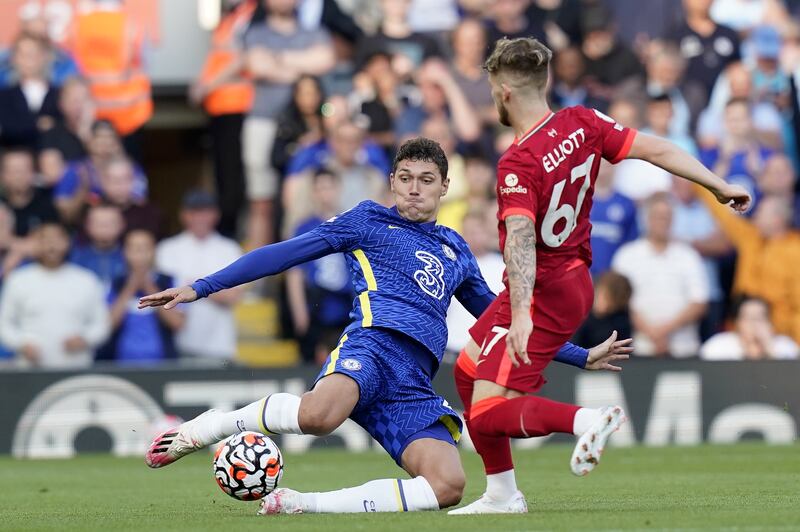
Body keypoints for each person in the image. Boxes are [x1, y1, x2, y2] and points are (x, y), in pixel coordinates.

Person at [140, 138, 631, 514]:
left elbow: (500, 316)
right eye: (405, 178)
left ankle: (298, 503)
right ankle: (205, 428)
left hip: (414, 378)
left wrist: (580, 354)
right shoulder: (367, 221)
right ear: (392, 183)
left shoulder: (455, 248)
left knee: (448, 488)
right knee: (319, 416)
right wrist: (202, 287)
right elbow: (285, 253)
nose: (414, 188)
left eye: (425, 179)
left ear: (444, 187)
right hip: (373, 346)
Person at [450, 37, 750, 514]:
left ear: (504, 90)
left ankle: (588, 419)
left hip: (543, 287)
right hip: (569, 278)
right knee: (467, 373)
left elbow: (522, 239)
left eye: (490, 89)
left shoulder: (517, 163)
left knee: (486, 413)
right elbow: (656, 149)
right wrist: (717, 184)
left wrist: (523, 312)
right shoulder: (583, 122)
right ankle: (502, 494)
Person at [242, 0, 335, 249]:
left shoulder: (314, 31)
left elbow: (325, 60)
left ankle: (299, 271)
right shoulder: (256, 32)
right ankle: (256, 279)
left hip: (304, 124)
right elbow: (256, 65)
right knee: (261, 202)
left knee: (305, 199)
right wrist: (302, 68)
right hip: (264, 121)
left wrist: (277, 60)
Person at [612, 193, 710, 357]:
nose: (663, 222)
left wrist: (664, 331)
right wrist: (652, 333)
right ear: (646, 218)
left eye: (667, 216)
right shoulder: (627, 256)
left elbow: (699, 302)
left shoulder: (688, 255)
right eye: (658, 216)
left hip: (683, 348)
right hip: (639, 347)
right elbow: (620, 301)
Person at [0, 222, 109, 368]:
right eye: (44, 239)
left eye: (57, 239)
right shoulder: (18, 280)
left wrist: (84, 339)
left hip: (76, 368)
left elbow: (101, 324)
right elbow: (4, 324)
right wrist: (21, 344)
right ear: (35, 244)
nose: (51, 245)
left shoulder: (86, 280)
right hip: (30, 369)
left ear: (67, 243)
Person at [191, 0, 257, 239]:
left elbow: (242, 58)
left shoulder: (249, 15)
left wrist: (205, 86)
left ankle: (229, 231)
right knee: (221, 174)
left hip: (236, 105)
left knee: (232, 177)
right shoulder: (230, 18)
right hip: (220, 107)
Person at [155, 190, 244, 360]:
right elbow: (165, 296)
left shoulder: (229, 249)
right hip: (179, 343)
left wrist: (193, 286)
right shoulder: (168, 248)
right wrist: (211, 288)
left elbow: (233, 296)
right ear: (184, 215)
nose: (200, 217)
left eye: (206, 211)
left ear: (215, 215)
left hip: (220, 344)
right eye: (194, 212)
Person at [69, 0, 153, 159]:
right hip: (129, 113)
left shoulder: (79, 23)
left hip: (91, 113)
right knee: (126, 172)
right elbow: (144, 63)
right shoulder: (131, 24)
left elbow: (72, 67)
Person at [286, 170, 353, 364]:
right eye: (320, 188)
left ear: (338, 189)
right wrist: (299, 312)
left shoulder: (350, 225)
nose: (326, 193)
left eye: (329, 187)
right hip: (317, 306)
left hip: (346, 306)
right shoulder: (305, 227)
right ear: (314, 192)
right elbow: (295, 273)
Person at [98, 230, 184, 365]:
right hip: (120, 362)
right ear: (125, 252)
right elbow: (108, 325)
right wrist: (130, 287)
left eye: (145, 248)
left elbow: (177, 323)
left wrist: (150, 288)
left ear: (154, 251)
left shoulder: (169, 282)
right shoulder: (115, 283)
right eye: (134, 249)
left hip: (163, 362)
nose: (140, 254)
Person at [0, 33, 61, 150]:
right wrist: (37, 125)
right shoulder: (4, 97)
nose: (27, 59)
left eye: (32, 54)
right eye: (22, 54)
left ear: (45, 56)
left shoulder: (60, 95)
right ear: (14, 59)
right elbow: (8, 130)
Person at [701, 295, 799, 360]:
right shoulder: (719, 344)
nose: (754, 324)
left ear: (770, 323)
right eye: (749, 318)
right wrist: (747, 348)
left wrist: (769, 349)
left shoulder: (785, 345)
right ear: (737, 323)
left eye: (760, 318)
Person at [69, 204, 127, 295]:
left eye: (110, 223)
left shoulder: (131, 256)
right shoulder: (74, 256)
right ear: (87, 225)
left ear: (122, 225)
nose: (104, 227)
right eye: (98, 223)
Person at [0, 148, 58, 237]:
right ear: (3, 176)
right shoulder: (2, 207)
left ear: (33, 173)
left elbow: (55, 241)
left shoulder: (47, 203)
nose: (19, 176)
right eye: (13, 171)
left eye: (24, 170)